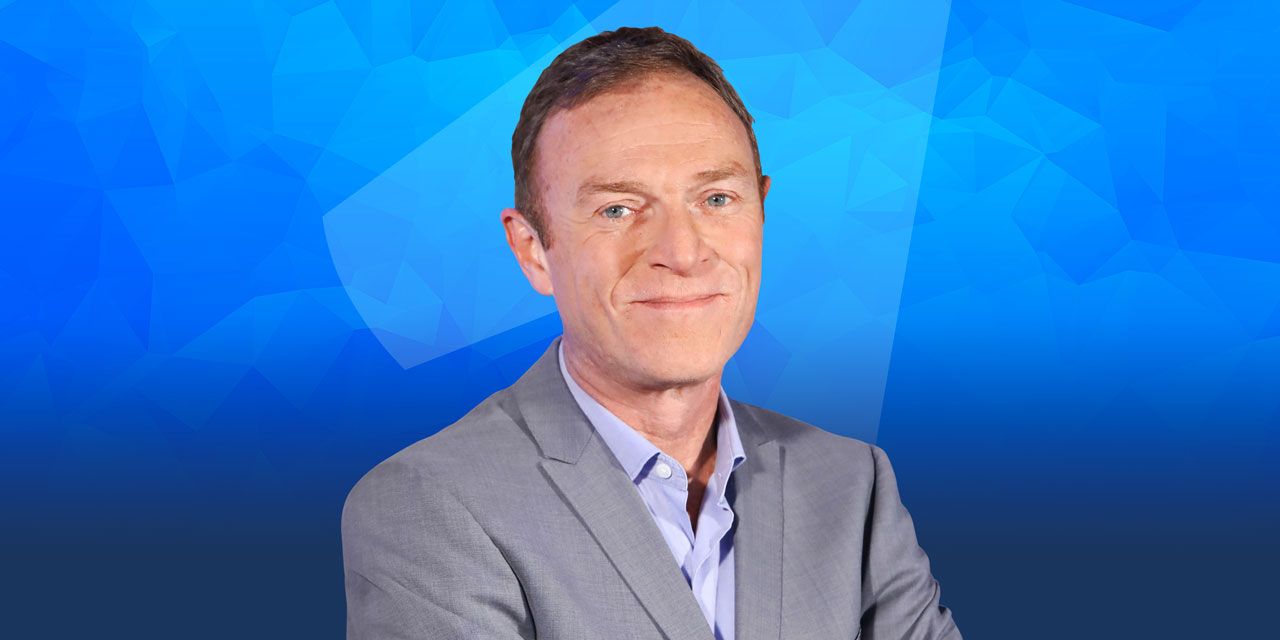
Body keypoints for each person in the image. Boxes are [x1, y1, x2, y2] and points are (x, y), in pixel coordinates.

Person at [342, 26, 961, 640]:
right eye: (618, 208)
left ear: (761, 211)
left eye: (716, 199)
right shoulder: (429, 506)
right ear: (532, 251)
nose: (683, 252)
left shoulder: (852, 485)